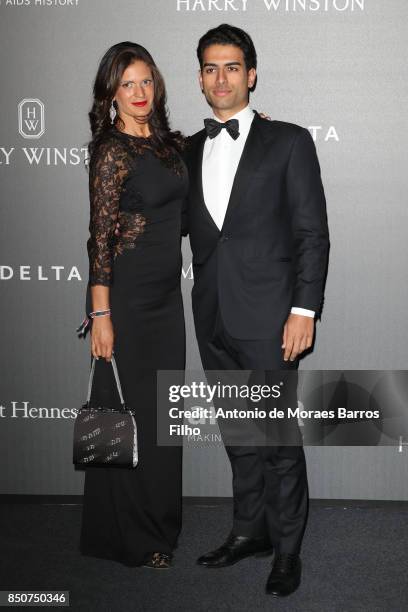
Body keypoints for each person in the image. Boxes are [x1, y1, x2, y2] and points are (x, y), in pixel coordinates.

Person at [184, 24, 330, 596]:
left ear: (250, 74)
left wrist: (304, 309)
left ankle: (288, 550)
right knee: (238, 434)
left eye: (232, 67)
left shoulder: (289, 141)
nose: (222, 78)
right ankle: (250, 531)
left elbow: (311, 234)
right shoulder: (188, 149)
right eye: (211, 68)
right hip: (212, 314)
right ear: (200, 78)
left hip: (271, 317)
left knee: (275, 438)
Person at [77, 41, 188, 569]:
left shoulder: (167, 144)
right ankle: (131, 536)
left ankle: (162, 526)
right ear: (111, 93)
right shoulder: (111, 151)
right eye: (128, 84)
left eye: (146, 81)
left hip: (168, 302)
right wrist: (101, 314)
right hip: (128, 302)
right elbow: (99, 240)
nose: (139, 93)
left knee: (163, 418)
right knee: (130, 418)